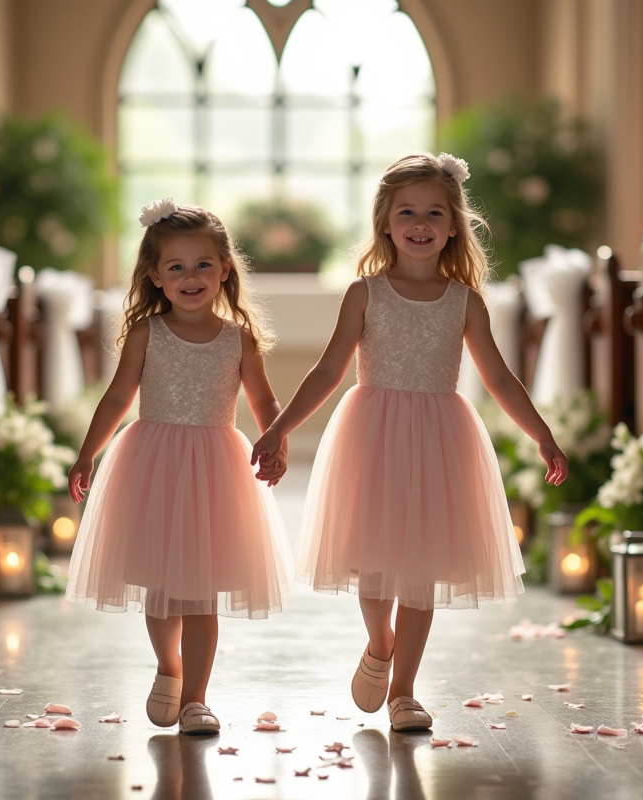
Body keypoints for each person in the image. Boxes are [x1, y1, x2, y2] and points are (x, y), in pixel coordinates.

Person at [251, 153, 569, 732]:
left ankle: (404, 691)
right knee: (373, 558)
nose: (420, 223)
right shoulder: (365, 293)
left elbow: (498, 377)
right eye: (407, 212)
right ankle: (379, 642)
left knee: (422, 568)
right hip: (372, 433)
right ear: (386, 223)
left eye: (433, 213)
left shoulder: (465, 301)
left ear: (453, 226)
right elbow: (326, 371)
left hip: (440, 438)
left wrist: (542, 434)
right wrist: (279, 427)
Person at [66, 199, 293, 736]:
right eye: (176, 267)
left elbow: (263, 399)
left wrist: (275, 440)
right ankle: (168, 665)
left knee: (201, 591)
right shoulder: (148, 332)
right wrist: (88, 451)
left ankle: (197, 697)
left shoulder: (238, 338)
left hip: (217, 468)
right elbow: (119, 396)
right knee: (162, 586)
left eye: (202, 265)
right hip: (156, 465)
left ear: (224, 270)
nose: (190, 277)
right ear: (155, 276)